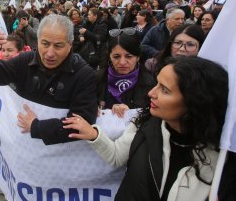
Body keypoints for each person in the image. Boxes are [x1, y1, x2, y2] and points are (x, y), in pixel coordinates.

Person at [63, 56, 228, 201]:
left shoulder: (223, 159)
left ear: (195, 100)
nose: (151, 93)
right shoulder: (143, 123)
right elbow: (116, 156)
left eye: (165, 90)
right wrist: (94, 134)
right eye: (157, 83)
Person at [0, 14, 98, 145]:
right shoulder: (25, 61)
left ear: (70, 45)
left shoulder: (84, 75)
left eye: (58, 46)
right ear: (38, 40)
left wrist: (37, 127)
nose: (50, 53)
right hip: (22, 150)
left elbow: (82, 123)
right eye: (45, 44)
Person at [98, 31, 155, 117]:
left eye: (129, 56)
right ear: (109, 56)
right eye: (116, 57)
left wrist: (131, 113)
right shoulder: (97, 79)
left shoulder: (150, 84)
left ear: (138, 57)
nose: (122, 62)